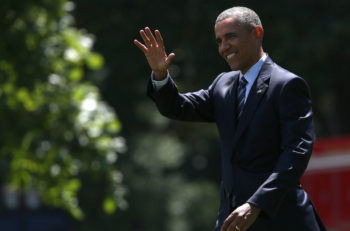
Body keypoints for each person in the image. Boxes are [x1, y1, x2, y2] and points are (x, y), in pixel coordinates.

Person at [134, 6, 326, 231]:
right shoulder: (223, 84)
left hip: (282, 220)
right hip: (232, 221)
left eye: (230, 37)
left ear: (257, 33)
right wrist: (160, 75)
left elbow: (297, 153)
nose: (224, 47)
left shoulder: (287, 85)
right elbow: (177, 107)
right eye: (219, 41)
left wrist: (256, 204)